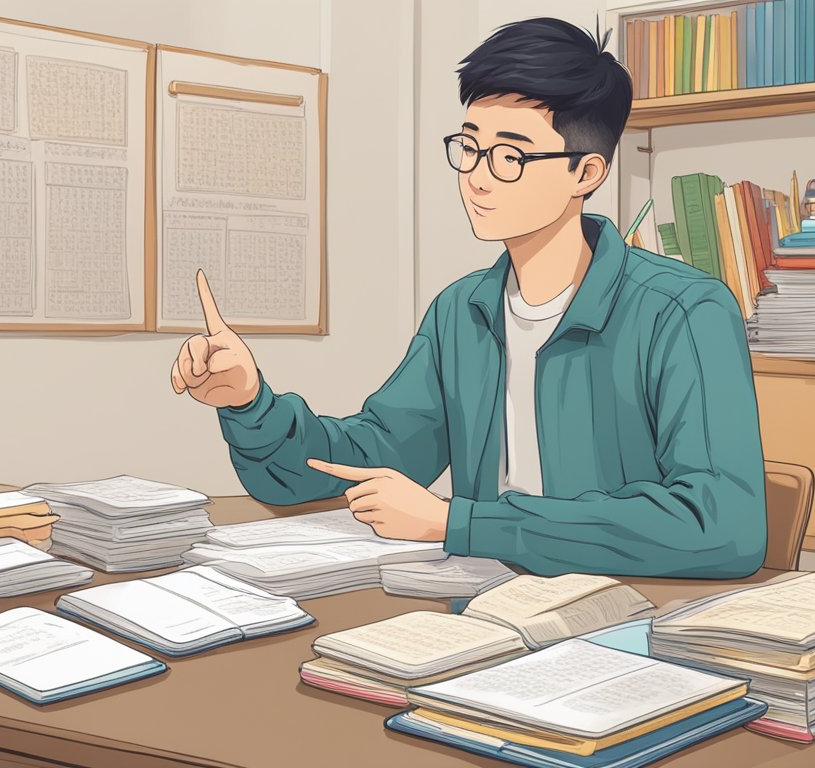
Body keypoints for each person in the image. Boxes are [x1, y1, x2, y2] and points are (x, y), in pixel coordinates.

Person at [168, 17, 766, 579]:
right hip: (478, 612)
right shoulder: (463, 312)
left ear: (586, 174)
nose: (477, 177)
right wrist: (250, 404)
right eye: (470, 147)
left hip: (625, 627)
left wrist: (460, 522)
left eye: (509, 156)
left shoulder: (684, 312)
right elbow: (368, 458)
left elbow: (720, 525)